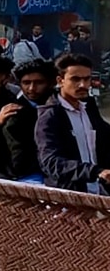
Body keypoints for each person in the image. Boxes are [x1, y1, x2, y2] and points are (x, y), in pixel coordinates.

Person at [35, 54, 110, 194]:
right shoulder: (50, 116)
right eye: (75, 79)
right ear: (60, 80)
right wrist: (95, 172)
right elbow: (51, 162)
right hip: (69, 195)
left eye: (87, 79)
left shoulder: (88, 107)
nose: (83, 85)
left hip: (100, 190)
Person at [2, 59, 56, 184]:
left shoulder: (61, 107)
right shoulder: (16, 114)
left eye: (39, 83)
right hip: (31, 174)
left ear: (50, 83)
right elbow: (19, 156)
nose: (32, 88)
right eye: (26, 83)